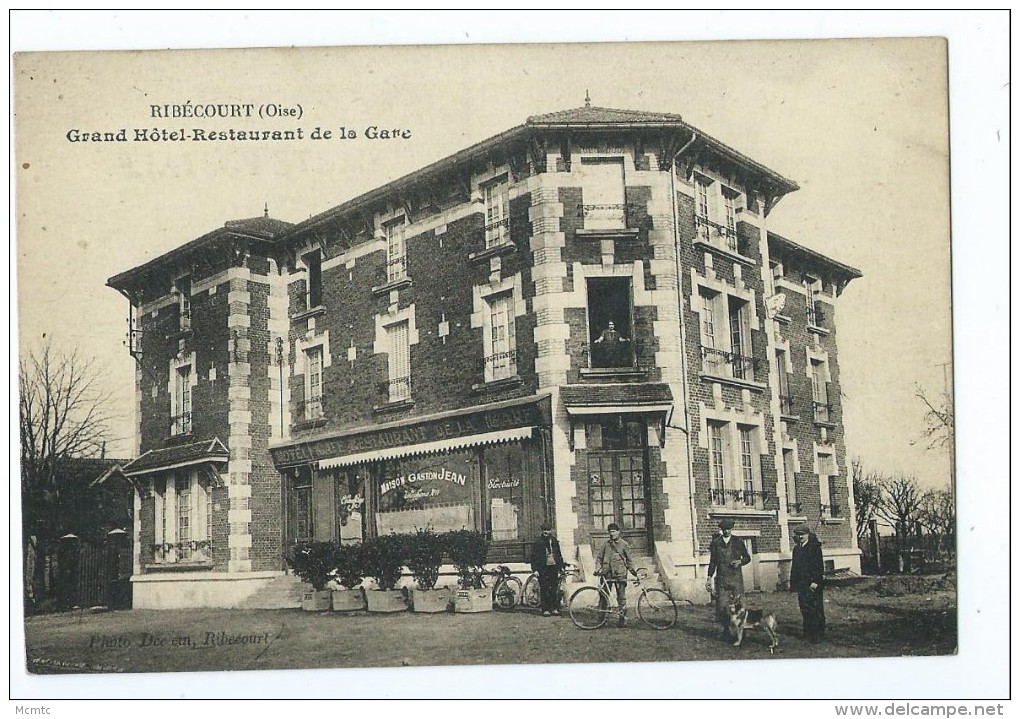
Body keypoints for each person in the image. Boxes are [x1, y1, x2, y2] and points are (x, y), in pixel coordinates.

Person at [706, 518, 751, 639]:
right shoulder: (716, 543)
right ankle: (725, 630)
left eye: (729, 529)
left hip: (736, 579)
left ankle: (742, 631)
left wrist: (740, 562)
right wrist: (709, 577)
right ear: (721, 530)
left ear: (732, 529)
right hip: (721, 579)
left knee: (739, 605)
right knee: (722, 606)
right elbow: (713, 562)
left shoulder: (738, 541)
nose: (726, 531)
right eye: (724, 529)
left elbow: (747, 557)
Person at [595, 523, 638, 626]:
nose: (612, 534)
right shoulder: (606, 544)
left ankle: (622, 620)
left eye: (614, 531)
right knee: (603, 597)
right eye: (610, 532)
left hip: (620, 574)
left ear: (618, 532)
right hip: (607, 574)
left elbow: (629, 560)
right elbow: (599, 558)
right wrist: (597, 569)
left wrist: (633, 572)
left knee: (621, 598)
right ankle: (601, 620)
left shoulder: (624, 545)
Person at [790, 523, 826, 642]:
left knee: (816, 609)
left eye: (803, 535)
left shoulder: (814, 548)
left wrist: (815, 582)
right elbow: (794, 568)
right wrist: (793, 583)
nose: (801, 537)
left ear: (808, 535)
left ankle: (818, 635)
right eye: (798, 535)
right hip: (802, 584)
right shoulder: (797, 549)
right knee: (804, 609)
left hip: (813, 584)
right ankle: (807, 633)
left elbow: (819, 567)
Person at [530, 522, 565, 617]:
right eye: (545, 530)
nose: (546, 532)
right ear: (542, 531)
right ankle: (545, 609)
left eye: (548, 530)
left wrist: (561, 566)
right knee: (544, 588)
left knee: (554, 588)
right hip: (543, 568)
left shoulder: (554, 541)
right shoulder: (538, 543)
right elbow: (533, 557)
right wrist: (535, 570)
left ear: (551, 531)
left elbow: (558, 555)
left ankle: (554, 608)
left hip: (553, 567)